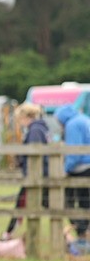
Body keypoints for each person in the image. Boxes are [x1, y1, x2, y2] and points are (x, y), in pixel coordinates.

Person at [3, 103, 50, 238]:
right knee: (49, 204)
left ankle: (8, 233)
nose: (20, 123)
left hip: (35, 174)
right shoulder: (41, 129)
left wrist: (21, 159)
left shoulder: (34, 130)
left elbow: (34, 153)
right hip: (40, 173)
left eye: (19, 119)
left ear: (25, 117)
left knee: (22, 203)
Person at [56, 104, 90, 248]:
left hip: (81, 167)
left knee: (70, 201)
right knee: (86, 202)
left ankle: (82, 236)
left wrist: (65, 169)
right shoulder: (83, 119)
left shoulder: (72, 124)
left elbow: (74, 152)